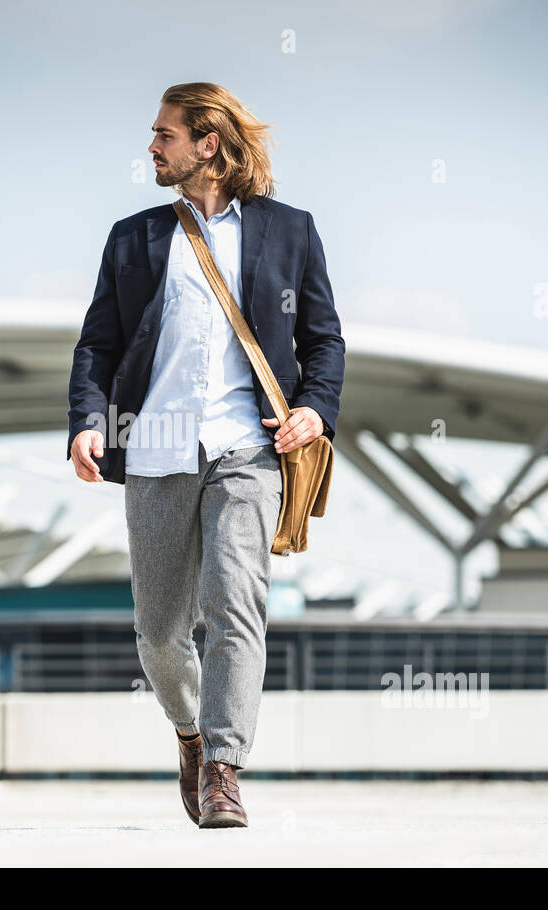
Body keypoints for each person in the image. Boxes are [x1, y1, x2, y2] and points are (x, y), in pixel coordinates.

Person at [66, 82, 345, 827]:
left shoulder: (291, 232)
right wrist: (89, 421)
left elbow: (324, 340)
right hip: (154, 444)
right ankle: (190, 733)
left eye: (165, 135)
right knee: (159, 632)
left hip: (247, 448)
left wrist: (315, 408)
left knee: (235, 608)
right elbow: (98, 344)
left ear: (208, 144)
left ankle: (224, 767)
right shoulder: (134, 237)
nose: (152, 147)